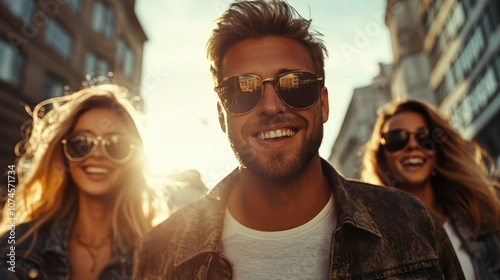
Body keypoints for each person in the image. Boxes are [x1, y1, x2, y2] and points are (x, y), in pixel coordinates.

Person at [134, 1, 464, 279]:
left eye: (294, 84)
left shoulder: (414, 225)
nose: (272, 106)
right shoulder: (161, 253)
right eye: (242, 90)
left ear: (323, 103)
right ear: (222, 116)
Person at [0, 82, 164, 279]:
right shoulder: (16, 246)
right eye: (82, 142)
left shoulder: (158, 253)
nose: (97, 154)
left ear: (134, 157)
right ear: (63, 152)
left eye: (115, 144)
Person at [361, 99, 500, 280]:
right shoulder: (372, 242)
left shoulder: (480, 215)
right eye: (397, 139)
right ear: (381, 155)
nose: (412, 145)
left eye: (424, 138)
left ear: (438, 151)